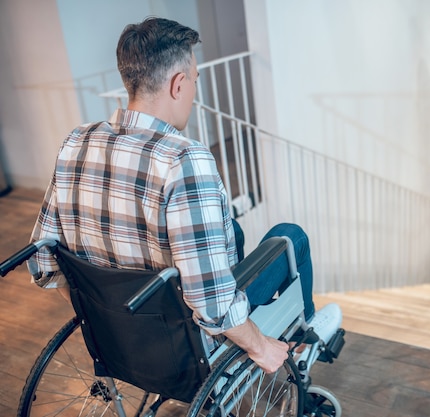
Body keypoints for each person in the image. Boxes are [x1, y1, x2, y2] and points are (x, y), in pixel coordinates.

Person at [27, 17, 338, 374]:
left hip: (116, 337)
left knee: (231, 231)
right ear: (178, 84)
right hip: (189, 344)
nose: (193, 89)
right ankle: (305, 337)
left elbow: (43, 262)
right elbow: (211, 306)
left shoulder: (76, 142)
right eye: (194, 80)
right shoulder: (184, 160)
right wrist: (261, 346)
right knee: (290, 237)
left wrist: (105, 315)